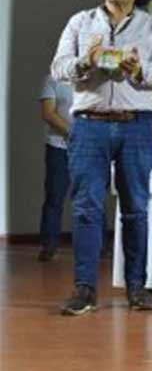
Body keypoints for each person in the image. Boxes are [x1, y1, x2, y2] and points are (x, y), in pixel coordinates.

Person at [50, 0, 152, 315]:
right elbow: (59, 68)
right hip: (89, 124)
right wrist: (86, 60)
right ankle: (85, 289)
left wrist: (137, 70)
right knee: (86, 207)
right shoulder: (80, 22)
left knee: (135, 208)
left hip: (137, 125)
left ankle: (137, 287)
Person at [37, 73, 74, 261]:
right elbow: (48, 113)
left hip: (89, 148)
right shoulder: (52, 78)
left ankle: (98, 246)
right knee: (54, 198)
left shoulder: (94, 75)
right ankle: (49, 245)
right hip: (59, 147)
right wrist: (73, 133)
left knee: (93, 198)